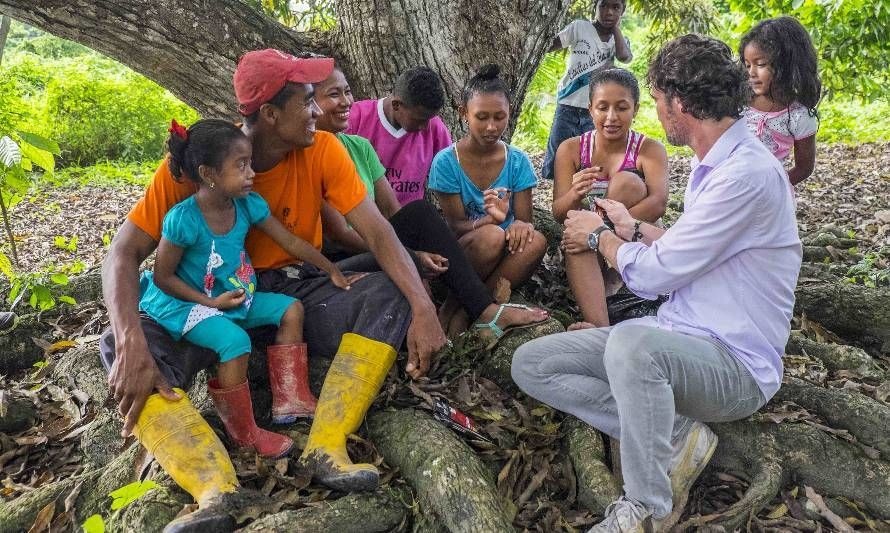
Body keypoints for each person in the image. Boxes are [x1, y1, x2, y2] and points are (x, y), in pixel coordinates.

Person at [100, 49, 446, 526]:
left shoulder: (324, 148)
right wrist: (128, 338)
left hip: (285, 294)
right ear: (269, 114)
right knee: (122, 345)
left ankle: (326, 446)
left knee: (388, 294)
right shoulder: (199, 163)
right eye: (306, 102)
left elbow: (377, 230)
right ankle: (213, 490)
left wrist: (423, 307)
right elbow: (122, 254)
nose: (316, 111)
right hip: (205, 303)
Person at [512, 34, 802, 532]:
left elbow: (652, 275)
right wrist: (631, 226)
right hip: (677, 338)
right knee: (534, 363)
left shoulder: (745, 174)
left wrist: (599, 235)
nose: (658, 113)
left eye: (659, 100)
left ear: (679, 102)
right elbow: (688, 248)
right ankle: (674, 433)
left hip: (735, 366)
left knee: (631, 341)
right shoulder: (717, 163)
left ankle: (647, 507)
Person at [143, 118, 355, 459]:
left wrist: (330, 268)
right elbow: (163, 277)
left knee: (291, 309)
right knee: (235, 342)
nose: (251, 173)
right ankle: (245, 433)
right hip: (188, 304)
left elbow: (287, 239)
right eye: (241, 166)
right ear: (209, 174)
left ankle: (291, 398)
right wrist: (209, 300)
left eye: (250, 163)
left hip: (234, 296)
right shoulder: (184, 219)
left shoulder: (246, 204)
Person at [314, 66, 549, 340]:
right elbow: (340, 234)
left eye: (347, 91)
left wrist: (409, 252)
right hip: (344, 256)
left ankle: (470, 309)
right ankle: (483, 309)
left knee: (420, 213)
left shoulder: (358, 146)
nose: (345, 101)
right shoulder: (312, 154)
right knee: (454, 234)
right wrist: (408, 255)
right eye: (333, 94)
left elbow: (395, 212)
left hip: (383, 239)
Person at [428, 65, 548, 341]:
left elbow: (525, 220)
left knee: (537, 241)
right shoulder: (447, 162)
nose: (492, 127)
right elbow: (456, 227)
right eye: (481, 117)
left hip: (504, 255)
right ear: (464, 114)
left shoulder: (517, 161)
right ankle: (454, 306)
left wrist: (519, 223)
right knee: (492, 236)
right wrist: (491, 220)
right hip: (467, 253)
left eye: (499, 117)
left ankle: (474, 309)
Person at [551, 68, 668, 329]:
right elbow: (559, 213)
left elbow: (659, 202)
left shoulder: (649, 150)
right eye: (603, 107)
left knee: (626, 182)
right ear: (590, 108)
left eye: (622, 108)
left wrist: (603, 229)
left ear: (635, 109)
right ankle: (599, 327)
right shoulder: (570, 150)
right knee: (576, 234)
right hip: (586, 246)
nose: (611, 117)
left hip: (634, 236)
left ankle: (616, 281)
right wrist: (574, 194)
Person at [542, 0, 633, 181]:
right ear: (595, 7)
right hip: (567, 104)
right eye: (604, 6)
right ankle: (559, 198)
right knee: (559, 153)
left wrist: (616, 29)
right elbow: (550, 45)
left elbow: (624, 56)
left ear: (623, 11)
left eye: (616, 8)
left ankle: (587, 200)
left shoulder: (619, 40)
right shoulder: (580, 27)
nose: (609, 12)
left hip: (595, 110)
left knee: (591, 158)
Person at [345, 66, 452, 206]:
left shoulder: (435, 128)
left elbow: (450, 176)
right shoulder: (355, 119)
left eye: (430, 119)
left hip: (407, 219)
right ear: (396, 105)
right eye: (420, 120)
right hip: (362, 218)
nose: (425, 127)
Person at [740, 16, 821, 186]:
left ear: (786, 65)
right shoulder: (739, 100)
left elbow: (804, 167)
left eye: (760, 64)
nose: (751, 72)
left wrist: (774, 187)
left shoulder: (798, 116)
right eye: (747, 65)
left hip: (768, 199)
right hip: (729, 187)